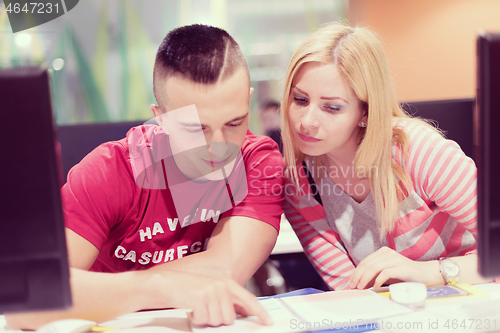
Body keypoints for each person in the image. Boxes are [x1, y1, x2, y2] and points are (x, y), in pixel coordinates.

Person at [6, 24, 283, 329]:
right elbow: (29, 302)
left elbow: (224, 270)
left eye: (235, 122)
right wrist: (155, 285)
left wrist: (129, 288)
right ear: (160, 117)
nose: (219, 147)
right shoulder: (111, 170)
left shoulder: (257, 159)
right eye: (195, 128)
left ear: (248, 101)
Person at [281, 22, 494, 291]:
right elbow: (352, 290)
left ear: (366, 112)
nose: (307, 121)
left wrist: (429, 272)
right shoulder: (298, 184)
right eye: (300, 100)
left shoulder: (417, 151)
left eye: (332, 107)